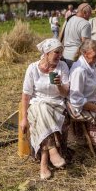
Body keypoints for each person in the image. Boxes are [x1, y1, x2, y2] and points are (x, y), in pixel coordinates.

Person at [20, 38, 70, 180]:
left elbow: (66, 93)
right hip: (36, 106)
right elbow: (26, 95)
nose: (59, 56)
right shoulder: (32, 68)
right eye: (56, 52)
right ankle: (52, 151)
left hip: (57, 106)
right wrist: (23, 118)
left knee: (42, 110)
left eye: (61, 53)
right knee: (41, 107)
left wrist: (59, 85)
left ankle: (44, 163)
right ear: (46, 53)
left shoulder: (62, 67)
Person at [63, 3, 92, 68]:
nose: (90, 15)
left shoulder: (69, 19)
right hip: (77, 57)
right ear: (84, 13)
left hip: (65, 55)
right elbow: (85, 44)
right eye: (90, 13)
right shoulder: (85, 24)